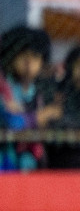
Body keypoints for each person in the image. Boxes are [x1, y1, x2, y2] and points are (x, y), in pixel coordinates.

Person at [0, 25, 51, 171]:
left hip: (31, 164)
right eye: (23, 56)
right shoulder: (4, 88)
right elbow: (11, 122)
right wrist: (37, 118)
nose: (28, 63)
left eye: (35, 57)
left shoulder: (41, 92)